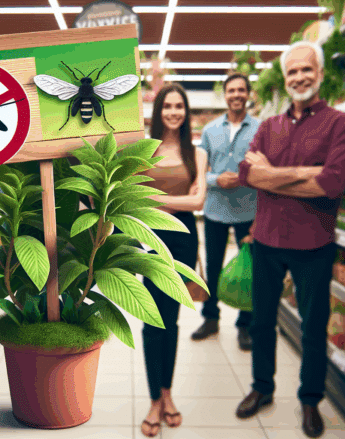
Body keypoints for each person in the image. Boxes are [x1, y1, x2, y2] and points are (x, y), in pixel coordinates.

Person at [234, 41, 345, 438]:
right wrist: (305, 173)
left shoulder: (341, 124)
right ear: (285, 80)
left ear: (319, 75)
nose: (299, 77)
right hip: (267, 240)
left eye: (307, 70)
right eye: (292, 72)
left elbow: (331, 183)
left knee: (313, 326)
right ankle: (261, 388)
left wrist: (273, 175)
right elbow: (246, 175)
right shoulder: (268, 126)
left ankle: (310, 400)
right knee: (262, 321)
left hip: (314, 245)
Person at [139, 83, 207, 438]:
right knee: (154, 320)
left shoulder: (197, 154)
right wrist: (177, 200)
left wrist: (159, 202)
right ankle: (154, 399)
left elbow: (199, 204)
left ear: (186, 110)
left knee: (174, 319)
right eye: (168, 106)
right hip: (152, 242)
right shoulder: (144, 152)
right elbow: (136, 198)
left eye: (180, 106)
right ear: (159, 111)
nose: (174, 112)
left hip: (183, 242)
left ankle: (167, 393)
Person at [191, 73, 259, 350]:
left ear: (248, 93)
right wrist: (215, 179)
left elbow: (266, 170)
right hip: (215, 210)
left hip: (249, 211)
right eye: (231, 90)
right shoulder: (209, 130)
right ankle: (210, 318)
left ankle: (245, 324)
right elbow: (199, 173)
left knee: (249, 270)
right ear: (225, 94)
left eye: (241, 90)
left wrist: (247, 178)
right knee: (214, 266)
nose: (236, 95)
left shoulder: (261, 129)